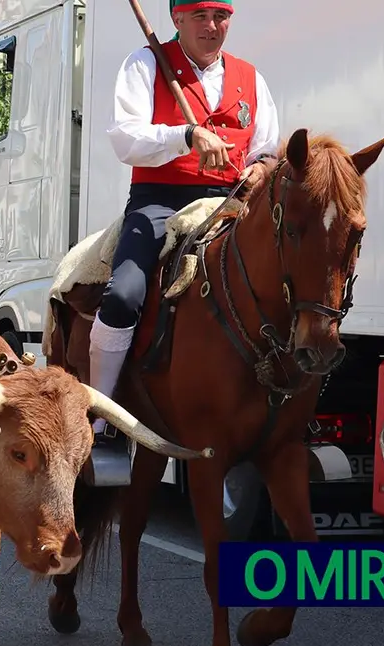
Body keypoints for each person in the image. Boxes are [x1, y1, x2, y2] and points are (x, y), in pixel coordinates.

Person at [89, 0, 280, 456]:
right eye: (200, 16)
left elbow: (267, 146)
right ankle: (101, 415)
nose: (212, 27)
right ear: (177, 18)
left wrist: (262, 168)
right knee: (124, 294)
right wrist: (186, 136)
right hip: (161, 199)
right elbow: (125, 138)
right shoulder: (145, 63)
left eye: (221, 17)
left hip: (232, 203)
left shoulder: (251, 76)